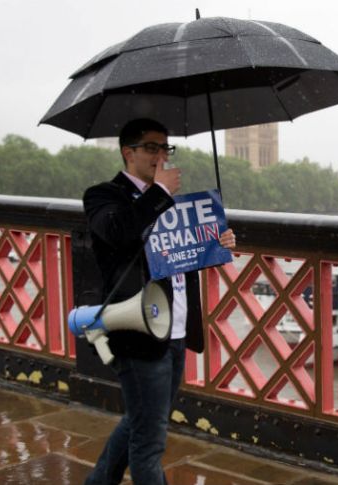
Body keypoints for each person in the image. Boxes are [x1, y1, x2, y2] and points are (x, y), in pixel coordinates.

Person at [82, 118, 236, 485]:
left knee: (143, 420)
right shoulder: (103, 195)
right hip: (138, 331)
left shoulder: (173, 203)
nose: (160, 155)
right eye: (151, 147)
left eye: (165, 148)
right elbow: (118, 232)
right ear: (128, 152)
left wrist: (218, 241)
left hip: (177, 329)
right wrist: (160, 195)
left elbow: (184, 254)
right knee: (150, 442)